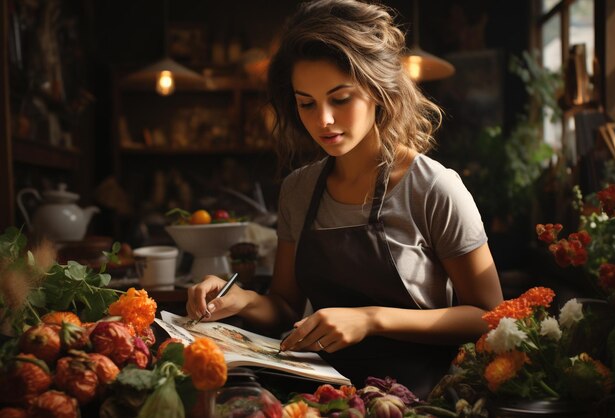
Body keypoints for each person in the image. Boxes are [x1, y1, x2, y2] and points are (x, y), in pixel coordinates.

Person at [187, 0, 503, 397]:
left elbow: (490, 317)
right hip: (323, 394)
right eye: (307, 103)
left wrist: (370, 319)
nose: (323, 120)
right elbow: (284, 305)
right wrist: (242, 299)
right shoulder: (298, 190)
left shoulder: (434, 188)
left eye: (340, 98)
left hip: (420, 397)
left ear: (377, 90)